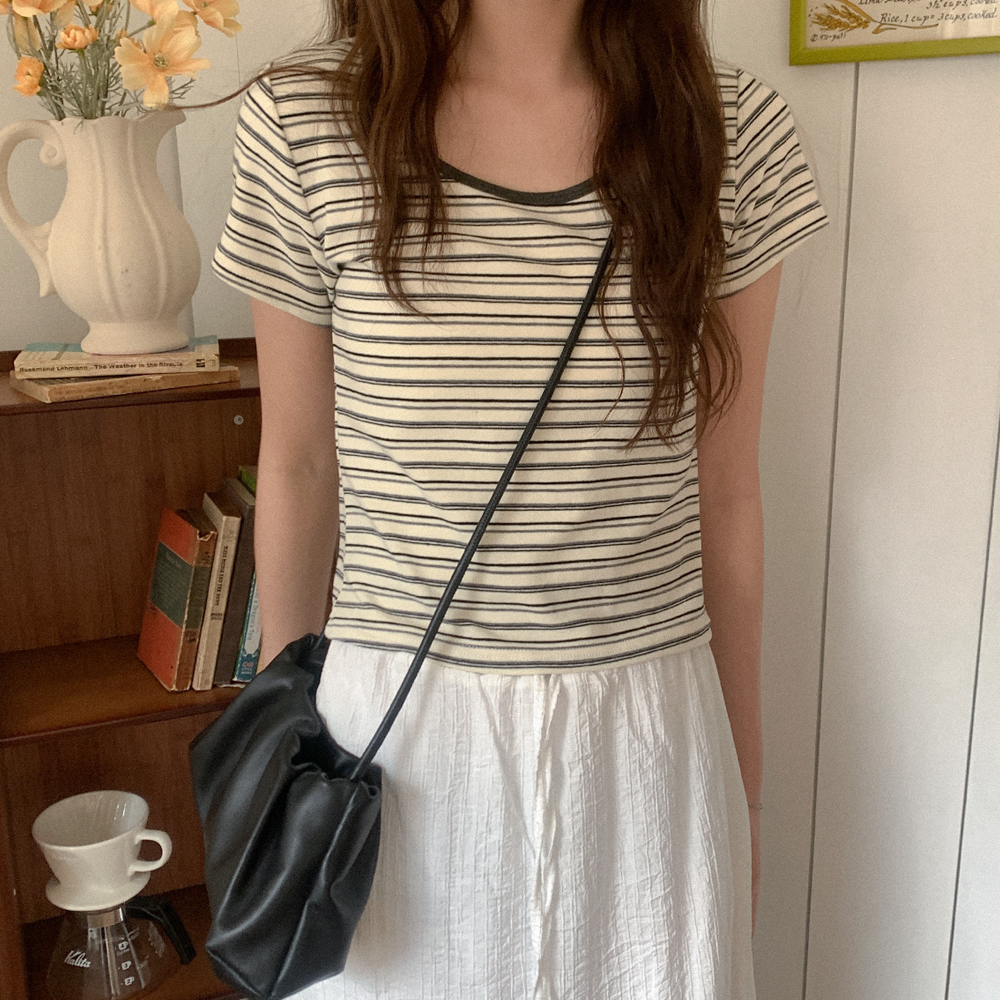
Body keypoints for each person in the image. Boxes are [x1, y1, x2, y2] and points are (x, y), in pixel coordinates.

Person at [211, 1, 829, 997]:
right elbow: (299, 465)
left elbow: (725, 491)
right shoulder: (307, 124)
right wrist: (288, 757)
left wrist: (745, 796)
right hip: (396, 735)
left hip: (648, 734)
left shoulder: (727, 132)